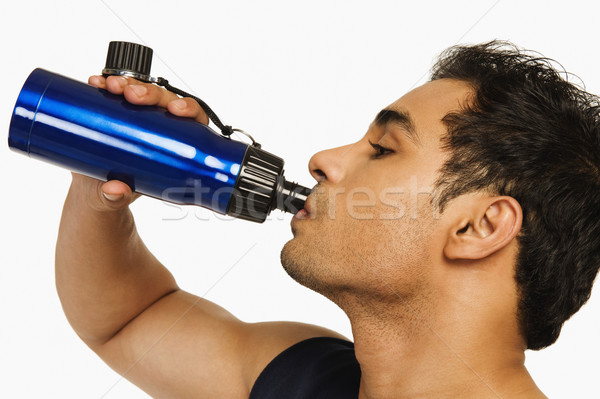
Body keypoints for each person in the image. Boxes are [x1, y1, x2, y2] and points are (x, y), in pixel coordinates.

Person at [56, 40, 600, 398]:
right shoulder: (301, 377)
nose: (322, 159)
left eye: (383, 149)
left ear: (478, 227)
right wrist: (105, 163)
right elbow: (126, 321)